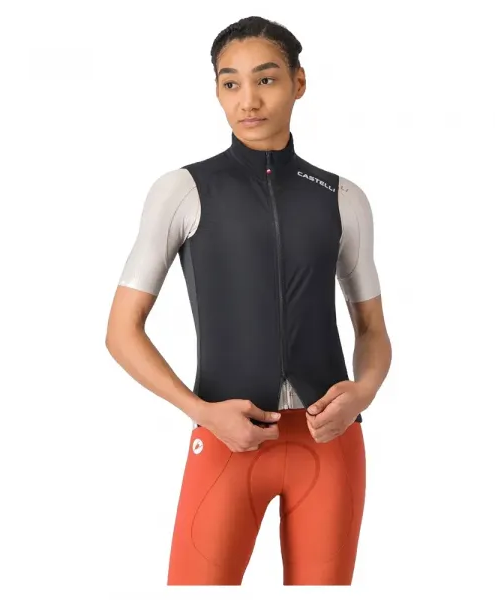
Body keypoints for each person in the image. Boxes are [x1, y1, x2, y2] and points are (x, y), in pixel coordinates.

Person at [106, 15, 392, 586]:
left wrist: (363, 391)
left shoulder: (342, 198)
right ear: (216, 90)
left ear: (298, 83)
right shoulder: (183, 190)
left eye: (266, 79)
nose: (248, 100)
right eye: (230, 83)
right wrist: (201, 412)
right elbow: (121, 331)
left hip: (330, 442)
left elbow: (372, 331)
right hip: (225, 441)